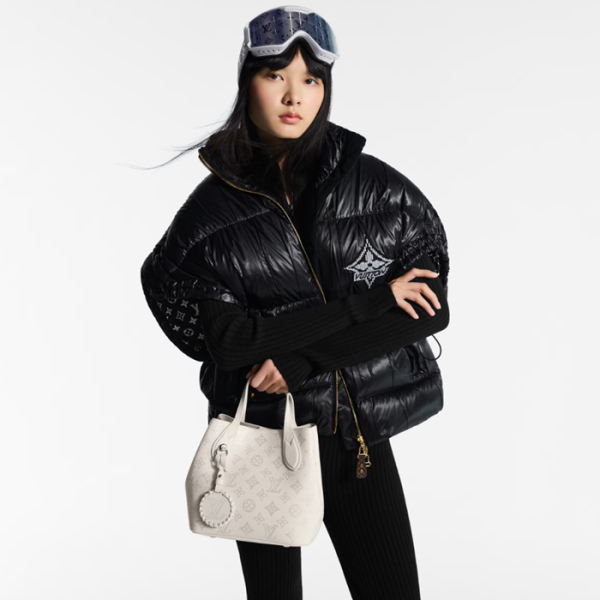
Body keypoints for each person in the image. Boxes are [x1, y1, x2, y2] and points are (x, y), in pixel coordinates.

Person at [140, 6, 450, 600]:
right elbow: (231, 342)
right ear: (247, 83)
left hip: (356, 438)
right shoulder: (210, 216)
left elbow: (430, 308)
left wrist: (303, 360)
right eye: (275, 74)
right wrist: (368, 304)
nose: (294, 95)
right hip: (261, 436)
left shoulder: (377, 189)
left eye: (311, 79)